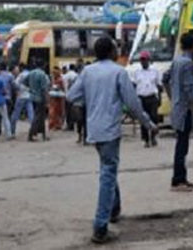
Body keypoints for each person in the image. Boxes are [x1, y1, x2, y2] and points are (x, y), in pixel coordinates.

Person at [67, 36, 157, 244]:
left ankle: (114, 208)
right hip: (110, 130)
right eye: (116, 48)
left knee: (108, 167)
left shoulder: (88, 72)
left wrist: (91, 101)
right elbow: (133, 104)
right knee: (108, 173)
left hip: (94, 129)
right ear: (110, 52)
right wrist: (149, 124)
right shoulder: (118, 72)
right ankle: (100, 225)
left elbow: (72, 96)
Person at [167, 33, 193, 192]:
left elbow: (165, 79)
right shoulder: (188, 63)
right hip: (184, 108)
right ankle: (178, 180)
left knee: (182, 143)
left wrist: (172, 96)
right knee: (182, 145)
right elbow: (190, 90)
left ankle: (182, 177)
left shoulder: (177, 61)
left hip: (177, 106)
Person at [131, 51, 161, 147]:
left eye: (145, 60)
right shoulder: (136, 72)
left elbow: (159, 85)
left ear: (149, 60)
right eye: (141, 60)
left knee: (154, 117)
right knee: (143, 119)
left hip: (152, 97)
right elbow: (134, 85)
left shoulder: (155, 71)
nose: (143, 62)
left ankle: (153, 137)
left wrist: (159, 97)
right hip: (141, 97)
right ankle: (146, 139)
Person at [26, 59, 51, 142]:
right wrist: (47, 100)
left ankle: (43, 134)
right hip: (40, 98)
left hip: (32, 96)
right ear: (43, 65)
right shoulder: (42, 74)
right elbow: (44, 89)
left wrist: (31, 89)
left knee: (41, 117)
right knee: (38, 117)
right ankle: (31, 134)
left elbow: (24, 82)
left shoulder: (31, 73)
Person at [11, 64, 35, 136]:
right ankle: (33, 131)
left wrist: (19, 89)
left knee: (15, 114)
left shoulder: (21, 75)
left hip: (21, 96)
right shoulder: (31, 74)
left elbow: (15, 84)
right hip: (29, 95)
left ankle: (12, 132)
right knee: (31, 114)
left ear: (21, 68)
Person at [49, 66, 67, 131]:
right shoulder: (54, 79)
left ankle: (57, 125)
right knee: (54, 112)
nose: (53, 74)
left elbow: (62, 88)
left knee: (58, 112)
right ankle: (54, 125)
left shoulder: (60, 80)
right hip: (54, 98)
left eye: (54, 73)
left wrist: (56, 87)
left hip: (58, 98)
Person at [63, 64, 79, 131]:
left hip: (67, 95)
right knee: (73, 111)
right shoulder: (76, 75)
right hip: (75, 96)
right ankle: (74, 124)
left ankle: (69, 125)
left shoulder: (65, 76)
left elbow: (64, 85)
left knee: (68, 112)